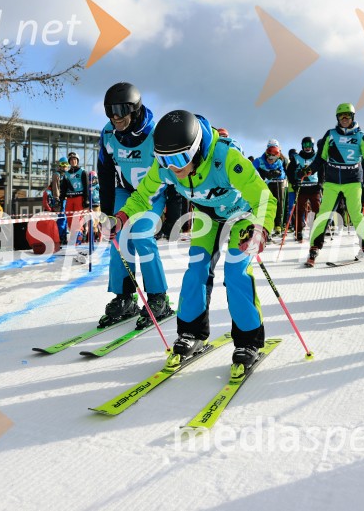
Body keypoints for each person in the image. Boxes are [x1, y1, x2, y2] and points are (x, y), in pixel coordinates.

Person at [112, 110, 276, 372]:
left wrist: (261, 230)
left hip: (244, 215)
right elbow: (143, 196)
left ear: (197, 149)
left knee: (236, 272)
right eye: (164, 160)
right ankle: (192, 333)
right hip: (207, 215)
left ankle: (248, 341)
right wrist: (121, 217)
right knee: (196, 269)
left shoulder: (226, 158)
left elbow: (264, 197)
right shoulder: (167, 166)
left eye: (180, 158)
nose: (173, 168)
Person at [97, 82, 172, 328]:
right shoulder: (108, 134)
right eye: (110, 111)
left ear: (135, 109)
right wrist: (108, 213)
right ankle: (124, 297)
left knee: (141, 235)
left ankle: (158, 297)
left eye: (120, 110)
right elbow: (105, 173)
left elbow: (173, 173)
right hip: (123, 190)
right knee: (119, 238)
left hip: (153, 193)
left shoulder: (155, 133)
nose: (115, 117)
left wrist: (173, 215)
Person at [306, 103, 364, 266]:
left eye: (348, 116)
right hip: (332, 181)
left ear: (353, 117)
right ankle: (314, 248)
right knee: (323, 214)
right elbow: (320, 159)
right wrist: (308, 171)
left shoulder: (360, 136)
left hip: (352, 180)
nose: (344, 119)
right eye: (341, 116)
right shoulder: (330, 135)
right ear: (337, 118)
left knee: (356, 214)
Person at [286, 136, 322, 242]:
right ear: (302, 146)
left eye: (309, 145)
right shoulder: (297, 158)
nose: (307, 147)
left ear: (312, 145)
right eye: (305, 145)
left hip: (314, 187)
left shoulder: (316, 157)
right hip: (301, 188)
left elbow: (322, 170)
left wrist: (320, 183)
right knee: (299, 210)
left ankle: (316, 230)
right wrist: (294, 182)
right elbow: (289, 171)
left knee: (317, 210)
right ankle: (298, 232)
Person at [252, 139, 286, 236]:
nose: (271, 159)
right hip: (263, 185)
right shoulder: (259, 161)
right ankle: (262, 226)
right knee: (264, 204)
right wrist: (263, 174)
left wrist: (277, 173)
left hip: (276, 184)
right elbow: (251, 171)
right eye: (269, 154)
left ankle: (278, 225)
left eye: (274, 156)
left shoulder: (279, 162)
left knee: (278, 203)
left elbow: (283, 174)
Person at [60, 151, 89, 245]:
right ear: (69, 161)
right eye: (71, 160)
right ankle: (73, 238)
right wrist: (61, 199)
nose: (73, 161)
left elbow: (86, 186)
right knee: (69, 219)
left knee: (77, 219)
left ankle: (78, 238)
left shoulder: (82, 172)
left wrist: (86, 199)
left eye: (75, 159)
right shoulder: (66, 174)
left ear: (77, 160)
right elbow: (63, 188)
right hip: (69, 198)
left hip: (79, 197)